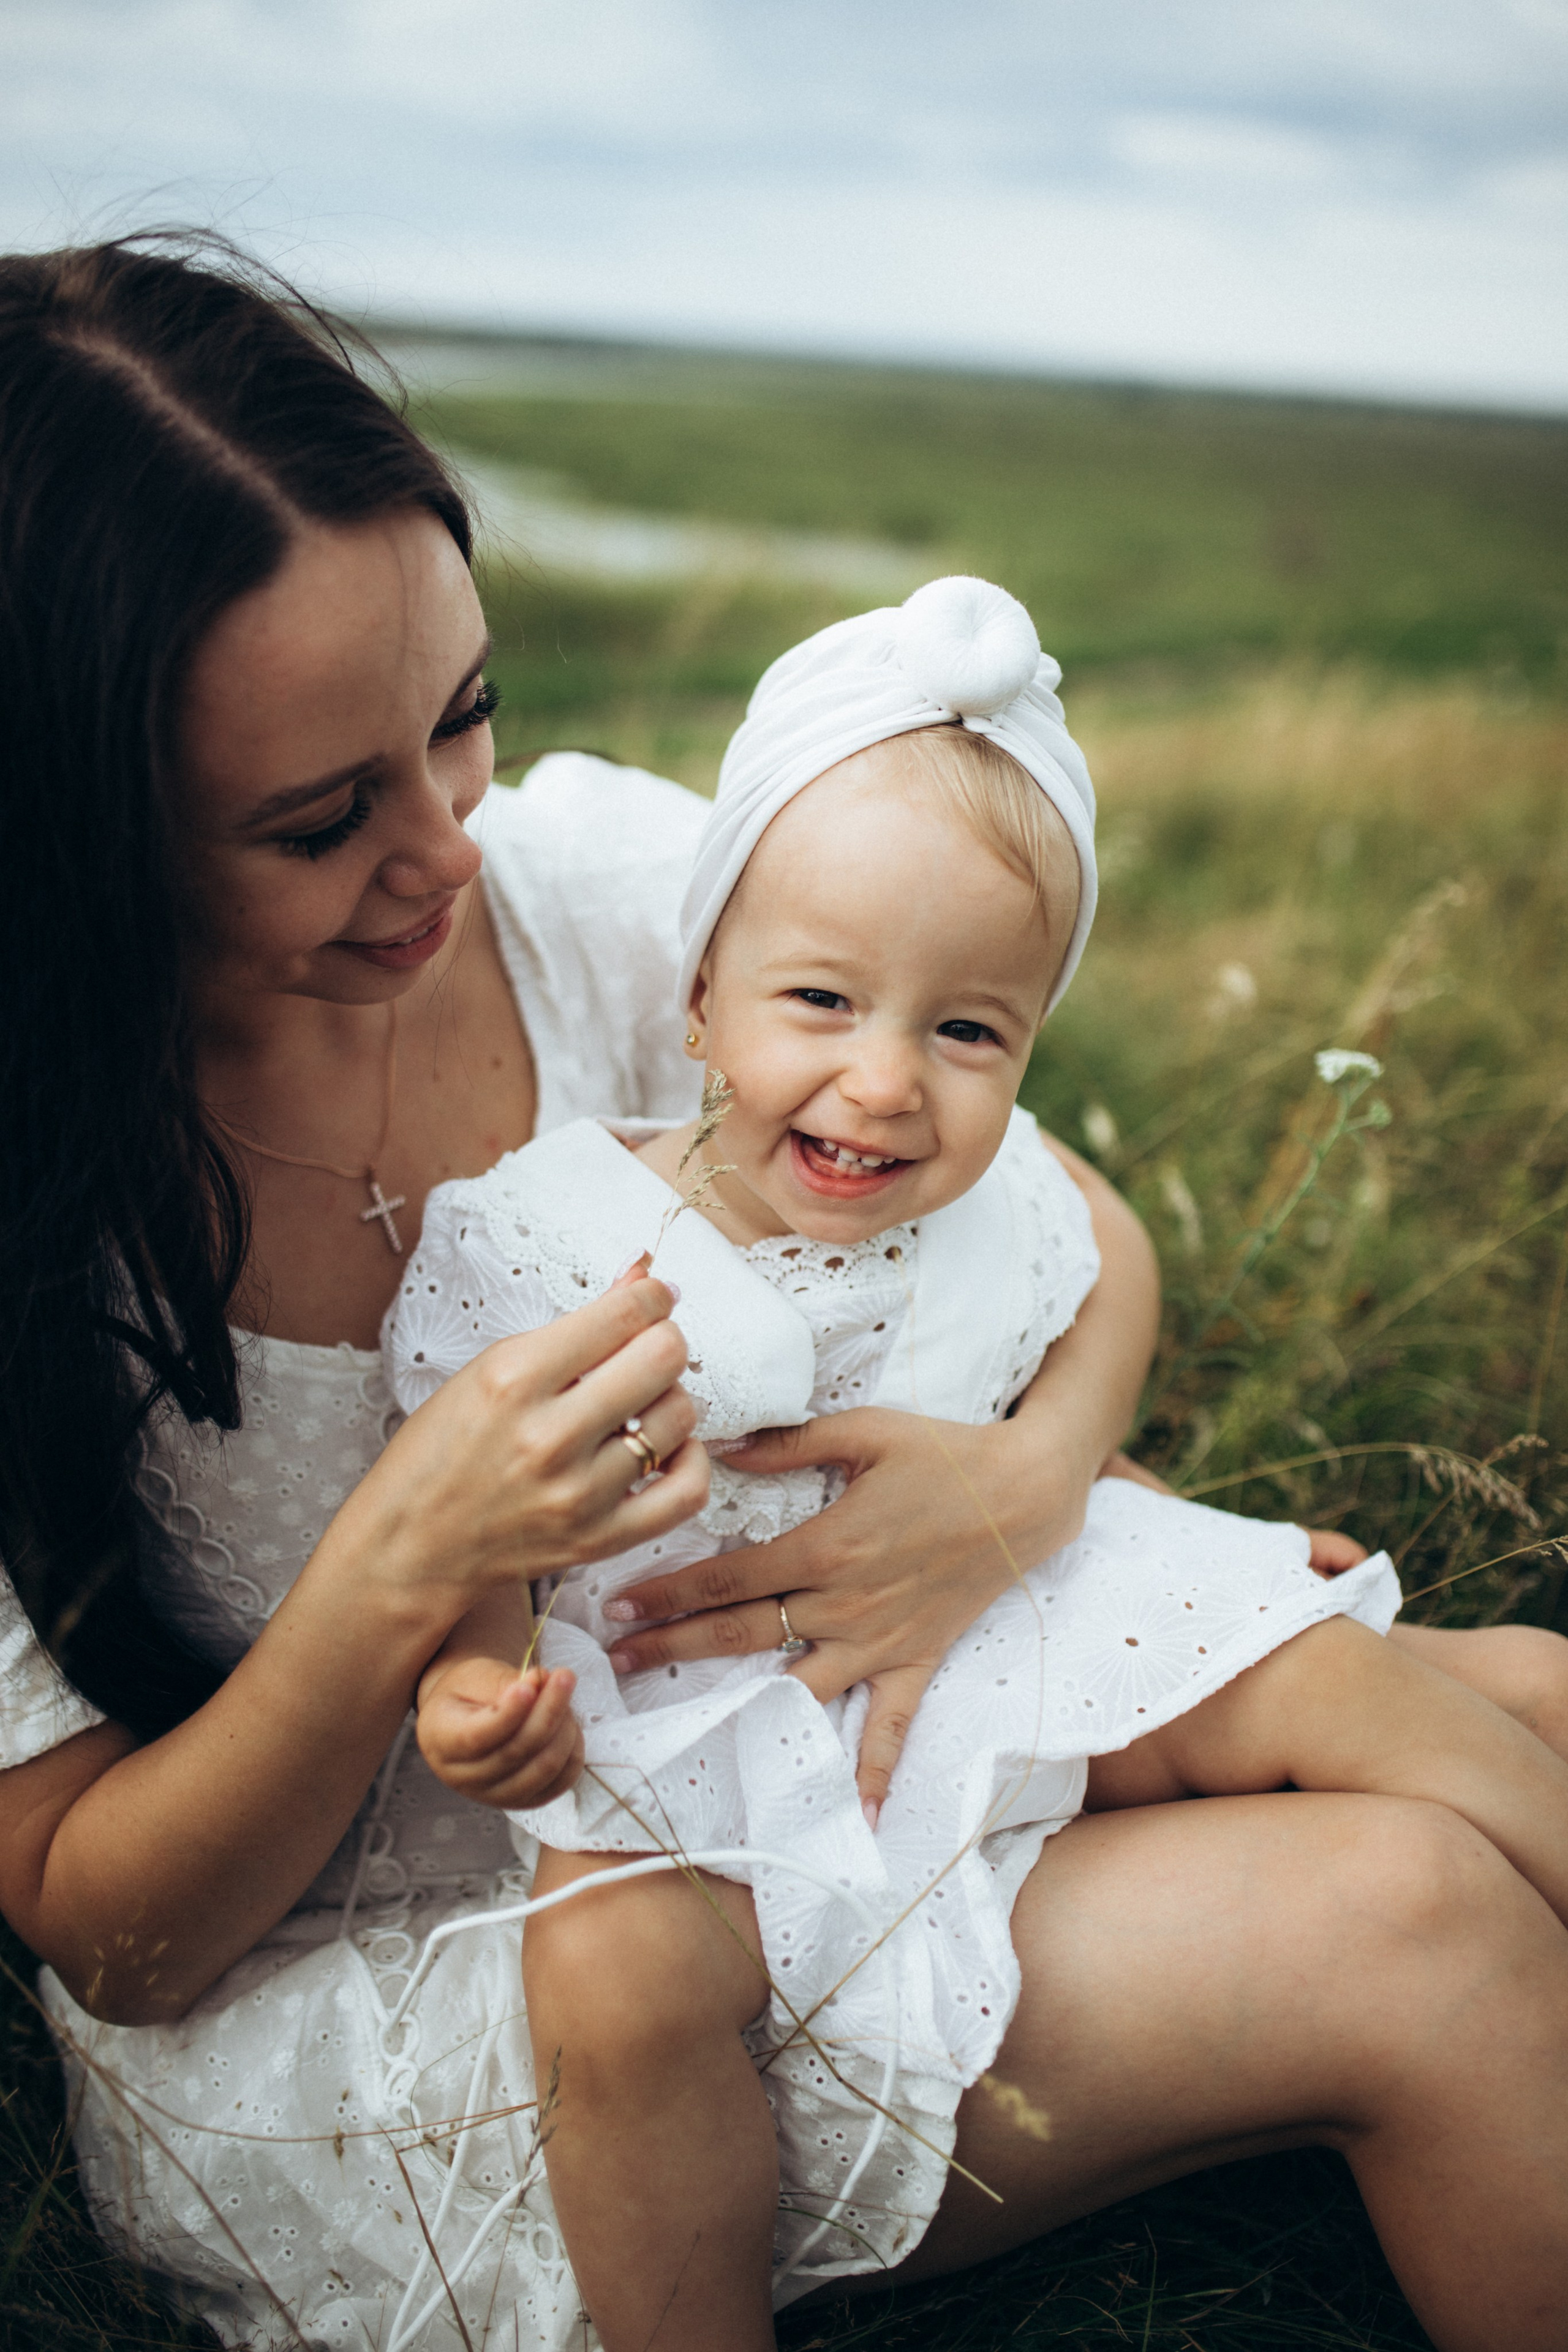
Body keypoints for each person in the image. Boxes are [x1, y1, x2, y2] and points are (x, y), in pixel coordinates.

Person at [0, 236, 1563, 2352]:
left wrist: (1025, 1495)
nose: (447, 851)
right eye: (315, 818)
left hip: (808, 1729)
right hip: (475, 1975)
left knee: (1528, 1703)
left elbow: (1066, 1210)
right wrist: (406, 1571)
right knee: (1420, 1911)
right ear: (72, 839)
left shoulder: (596, 893)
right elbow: (119, 1939)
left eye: (460, 714)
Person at [394, 578, 1568, 2350]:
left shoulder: (1002, 1202)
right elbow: (472, 1566)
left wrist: (1178, 1544)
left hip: (993, 1635)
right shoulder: (545, 1243)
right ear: (700, 995)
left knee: (1353, 1670)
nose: (884, 1084)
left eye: (968, 1033)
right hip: (697, 1746)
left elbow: (1050, 1403)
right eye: (822, 1001)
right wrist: (480, 1705)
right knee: (611, 1965)